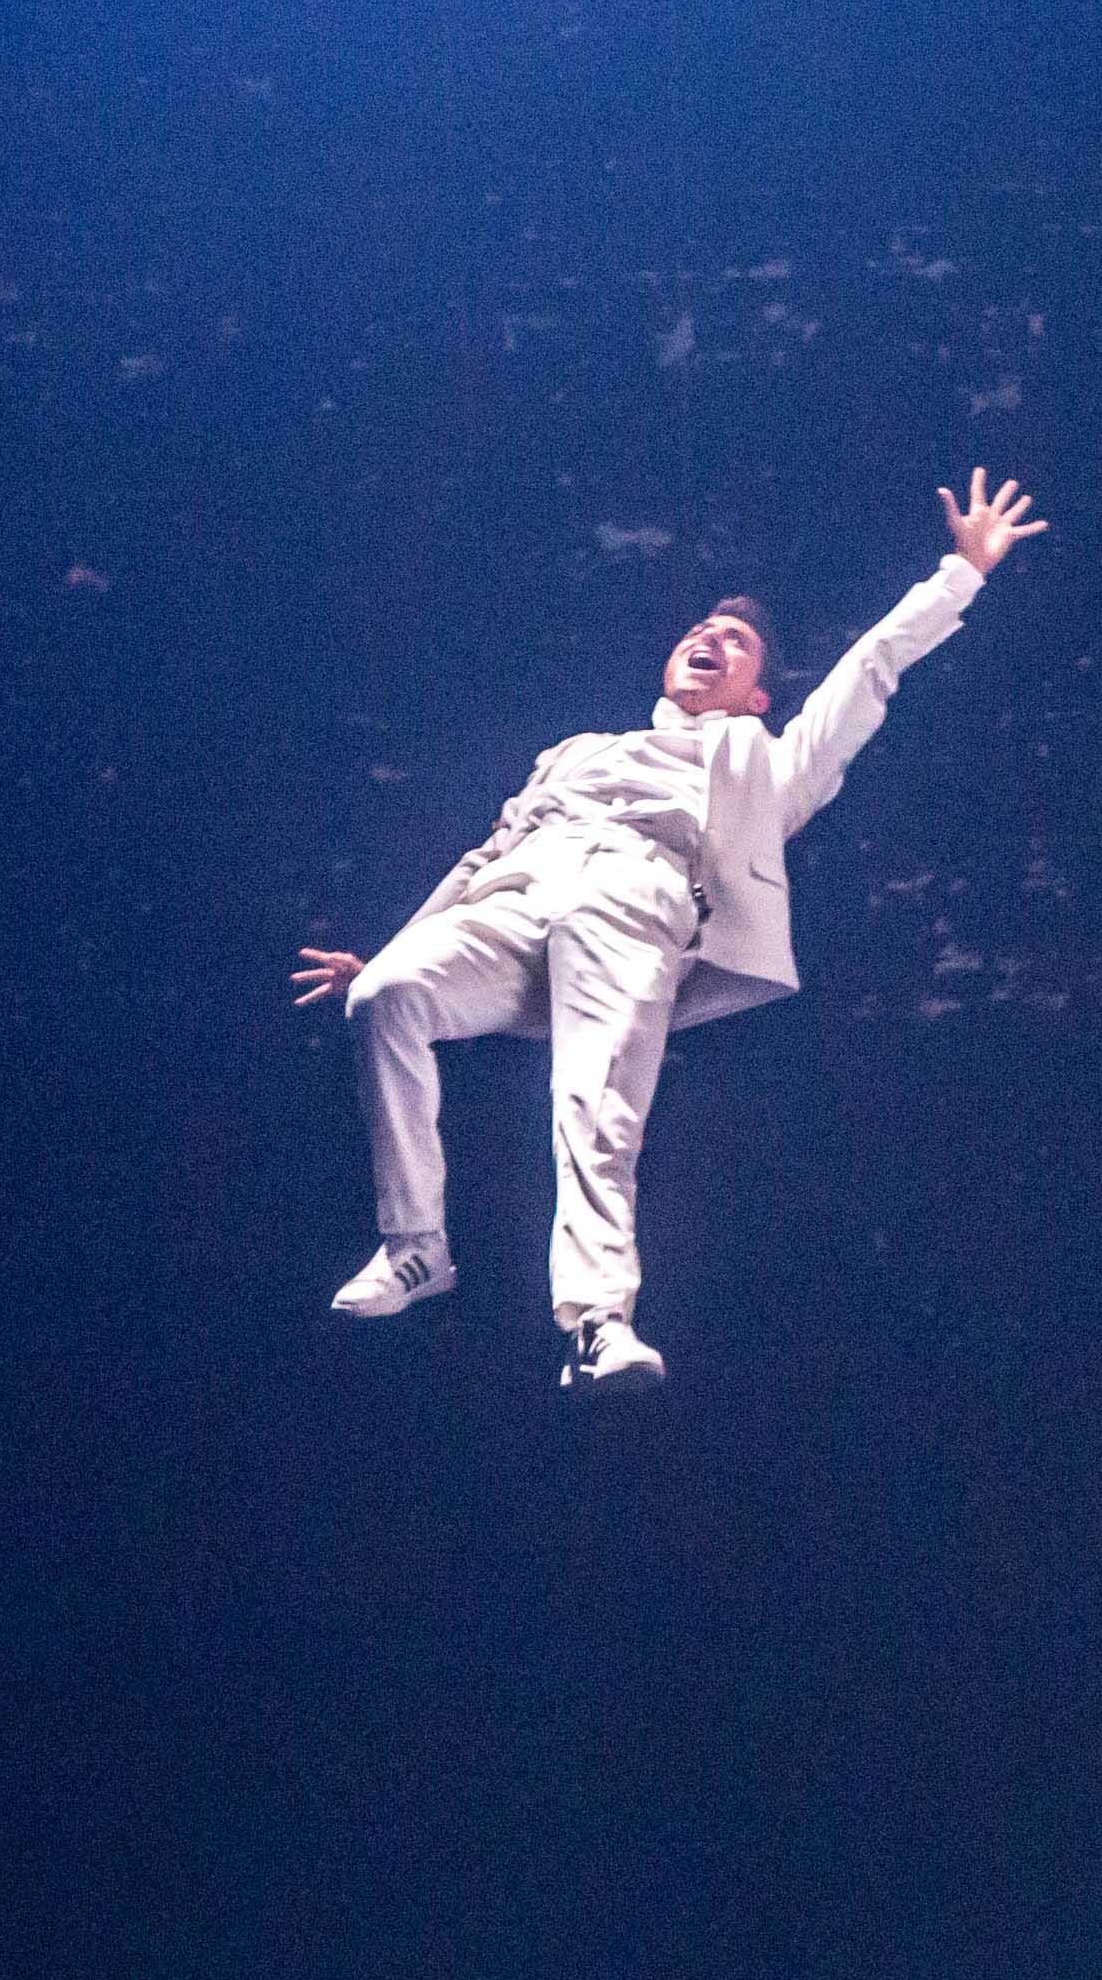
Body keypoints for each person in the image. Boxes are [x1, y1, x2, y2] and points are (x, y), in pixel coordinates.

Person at [292, 471, 1044, 1388]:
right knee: (386, 998)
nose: (709, 641)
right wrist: (404, 944)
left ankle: (599, 1318)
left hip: (633, 902)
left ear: (757, 693)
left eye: (734, 643)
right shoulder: (575, 752)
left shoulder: (762, 764)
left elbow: (870, 670)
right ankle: (417, 1246)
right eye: (700, 631)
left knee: (595, 1102)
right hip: (519, 896)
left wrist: (959, 574)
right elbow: (484, 855)